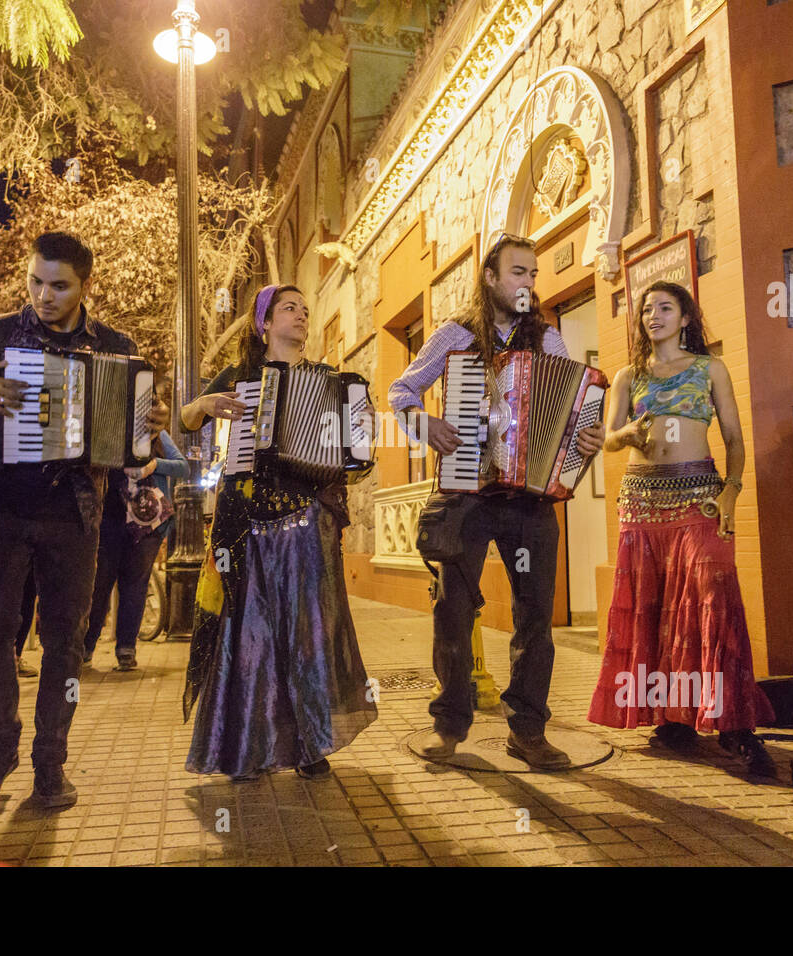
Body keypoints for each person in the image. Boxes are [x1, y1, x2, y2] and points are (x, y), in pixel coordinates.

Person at [0, 232, 157, 810]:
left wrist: (135, 433)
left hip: (74, 516)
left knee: (65, 643)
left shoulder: (117, 349)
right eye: (35, 281)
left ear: (85, 286)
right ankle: (0, 745)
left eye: (58, 285)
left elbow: (135, 447)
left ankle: (51, 761)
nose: (43, 295)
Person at [388, 234, 604, 770]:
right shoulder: (454, 335)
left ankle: (527, 731)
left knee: (535, 616)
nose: (528, 282)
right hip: (467, 491)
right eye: (518, 272)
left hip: (530, 498)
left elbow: (575, 408)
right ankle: (449, 724)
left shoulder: (547, 340)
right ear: (490, 277)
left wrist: (586, 438)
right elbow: (401, 392)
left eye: (533, 273)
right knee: (453, 610)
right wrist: (424, 422)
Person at [180, 284, 378, 780]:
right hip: (246, 520)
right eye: (289, 308)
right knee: (249, 634)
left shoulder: (333, 383)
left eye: (305, 309)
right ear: (264, 324)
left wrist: (362, 431)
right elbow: (186, 420)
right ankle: (246, 747)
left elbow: (353, 456)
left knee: (309, 634)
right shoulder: (241, 377)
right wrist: (203, 403)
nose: (301, 316)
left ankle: (311, 744)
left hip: (307, 522)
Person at [586, 280, 775, 776]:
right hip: (642, 499)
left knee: (714, 599)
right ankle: (673, 717)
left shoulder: (711, 368)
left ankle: (736, 726)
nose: (653, 316)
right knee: (654, 604)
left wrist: (730, 491)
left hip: (699, 496)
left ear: (686, 317)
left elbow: (733, 438)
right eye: (647, 309)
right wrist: (627, 433)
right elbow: (609, 438)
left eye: (665, 308)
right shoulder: (629, 375)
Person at [83, 400, 187, 670]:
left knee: (135, 586)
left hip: (146, 523)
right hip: (110, 518)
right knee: (99, 585)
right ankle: (86, 649)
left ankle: (126, 650)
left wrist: (153, 465)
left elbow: (182, 466)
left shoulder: (155, 434)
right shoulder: (106, 431)